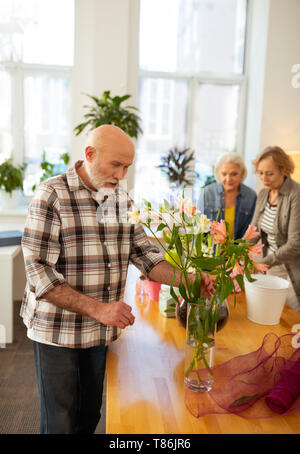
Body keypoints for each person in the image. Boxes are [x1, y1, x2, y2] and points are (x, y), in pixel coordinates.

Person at [20, 125, 213, 434]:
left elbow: (146, 255)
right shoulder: (51, 195)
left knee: (89, 416)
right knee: (60, 423)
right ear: (89, 154)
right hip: (58, 332)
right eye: (116, 164)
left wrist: (187, 279)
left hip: (98, 332)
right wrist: (99, 309)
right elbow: (38, 272)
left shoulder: (120, 199)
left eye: (127, 167)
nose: (121, 174)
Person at [250, 146, 300, 313]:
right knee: (273, 312)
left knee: (292, 314)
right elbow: (254, 230)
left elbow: (295, 243)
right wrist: (236, 251)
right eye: (260, 173)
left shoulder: (296, 194)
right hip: (272, 263)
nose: (264, 178)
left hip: (291, 266)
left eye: (269, 173)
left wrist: (264, 262)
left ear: (283, 170)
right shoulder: (264, 194)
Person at [199, 153, 257, 239]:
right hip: (210, 251)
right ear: (218, 174)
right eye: (224, 174)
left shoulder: (251, 196)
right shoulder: (207, 193)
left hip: (238, 251)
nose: (228, 179)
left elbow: (252, 231)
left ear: (242, 174)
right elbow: (199, 229)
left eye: (234, 174)